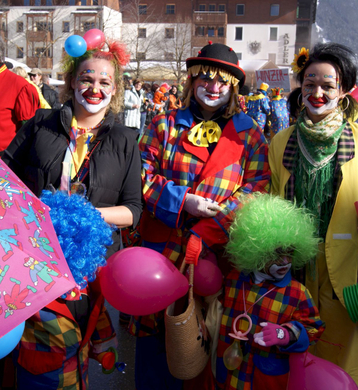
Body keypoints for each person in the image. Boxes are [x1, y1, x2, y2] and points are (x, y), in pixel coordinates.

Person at [1, 39, 142, 390]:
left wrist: (85, 215)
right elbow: (3, 175)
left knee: (76, 347)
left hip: (88, 265)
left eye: (104, 82)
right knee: (31, 352)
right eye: (86, 78)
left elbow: (133, 211)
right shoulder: (41, 123)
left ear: (116, 88)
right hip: (33, 257)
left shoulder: (125, 140)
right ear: (71, 82)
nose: (94, 88)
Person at [133, 42, 270, 390]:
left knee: (209, 337)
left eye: (222, 81)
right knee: (158, 337)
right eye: (205, 78)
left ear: (233, 87)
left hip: (216, 252)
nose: (213, 87)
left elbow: (258, 186)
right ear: (192, 80)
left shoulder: (250, 133)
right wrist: (184, 202)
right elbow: (140, 174)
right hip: (162, 249)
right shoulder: (164, 123)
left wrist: (215, 222)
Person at [269, 43, 358, 390]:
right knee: (291, 356)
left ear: (344, 91)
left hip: (348, 270)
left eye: (328, 85)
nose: (318, 93)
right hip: (294, 267)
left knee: (343, 363)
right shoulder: (281, 142)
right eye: (310, 84)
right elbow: (273, 196)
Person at [217, 193, 324, 390]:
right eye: (276, 253)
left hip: (264, 380)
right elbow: (215, 313)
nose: (285, 261)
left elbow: (314, 328)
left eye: (290, 252)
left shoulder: (297, 293)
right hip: (228, 377)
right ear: (255, 249)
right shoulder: (233, 280)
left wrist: (286, 334)